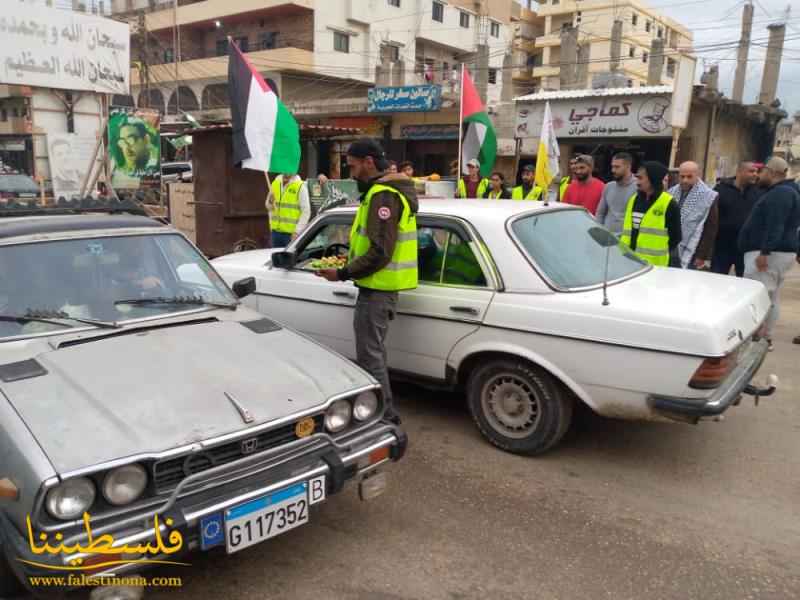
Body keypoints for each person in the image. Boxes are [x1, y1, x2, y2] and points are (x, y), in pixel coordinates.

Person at [315, 139, 418, 422]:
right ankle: (383, 411)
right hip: (378, 287)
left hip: (377, 289)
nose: (351, 173)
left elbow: (380, 251)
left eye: (353, 165)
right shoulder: (383, 192)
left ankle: (384, 417)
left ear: (369, 162)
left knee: (370, 356)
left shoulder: (383, 195)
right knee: (375, 353)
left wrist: (343, 273)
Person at [738, 157, 800, 352]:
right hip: (776, 252)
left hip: (769, 253)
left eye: (762, 171)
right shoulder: (785, 192)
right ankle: (763, 337)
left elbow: (776, 224)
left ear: (772, 172)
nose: (759, 175)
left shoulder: (781, 193)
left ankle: (760, 338)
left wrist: (765, 251)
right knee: (770, 296)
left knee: (760, 296)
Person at [620, 161, 682, 267]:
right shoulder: (633, 199)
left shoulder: (669, 203)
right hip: (629, 262)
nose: (637, 182)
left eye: (641, 178)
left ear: (653, 179)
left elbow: (676, 237)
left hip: (656, 266)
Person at [711, 161, 761, 277]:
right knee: (716, 280)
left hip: (746, 247)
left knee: (745, 282)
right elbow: (711, 216)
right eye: (751, 171)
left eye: (756, 172)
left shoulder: (758, 192)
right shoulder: (721, 189)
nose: (755, 174)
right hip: (722, 246)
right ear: (739, 172)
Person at [667, 161, 719, 270]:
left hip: (692, 249)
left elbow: (710, 228)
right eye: (682, 177)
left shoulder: (708, 196)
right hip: (670, 246)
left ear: (697, 176)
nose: (685, 180)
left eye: (689, 177)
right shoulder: (671, 192)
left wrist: (701, 255)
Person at [595, 152, 637, 234]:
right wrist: (599, 232)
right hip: (607, 237)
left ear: (628, 166)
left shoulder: (638, 187)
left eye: (617, 167)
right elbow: (600, 213)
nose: (613, 170)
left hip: (627, 239)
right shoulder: (608, 186)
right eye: (612, 166)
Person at [266, 173, 311, 248]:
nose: (287, 172)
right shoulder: (275, 183)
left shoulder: (300, 186)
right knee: (276, 258)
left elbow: (306, 211)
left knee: (288, 259)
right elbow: (268, 206)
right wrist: (270, 202)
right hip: (275, 232)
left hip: (291, 235)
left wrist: (297, 231)